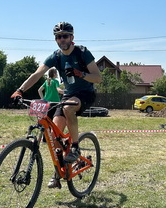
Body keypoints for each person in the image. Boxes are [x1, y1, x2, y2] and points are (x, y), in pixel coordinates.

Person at [11, 22, 102, 188]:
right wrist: (20, 90)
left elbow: (98, 78)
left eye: (65, 36)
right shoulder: (56, 56)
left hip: (85, 93)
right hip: (68, 95)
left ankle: (75, 148)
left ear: (72, 37)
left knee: (68, 108)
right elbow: (37, 73)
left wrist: (80, 74)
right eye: (58, 37)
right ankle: (58, 173)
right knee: (54, 135)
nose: (62, 39)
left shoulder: (82, 52)